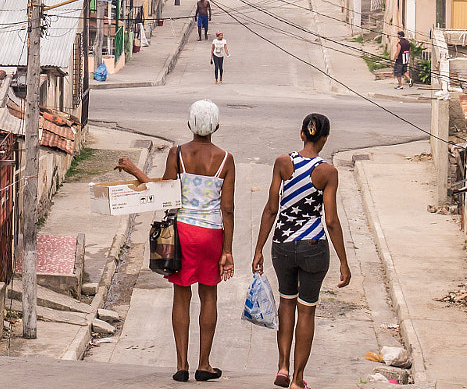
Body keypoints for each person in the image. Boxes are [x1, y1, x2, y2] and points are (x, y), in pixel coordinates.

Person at [119, 101, 236, 383]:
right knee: (209, 296)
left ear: (189, 125)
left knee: (181, 296)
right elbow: (228, 208)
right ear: (216, 127)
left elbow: (164, 193)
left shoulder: (178, 153)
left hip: (182, 232)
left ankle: (181, 364)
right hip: (211, 234)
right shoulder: (226, 159)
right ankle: (204, 364)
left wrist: (137, 171)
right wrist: (227, 251)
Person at [252, 113, 350, 389]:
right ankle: (297, 379)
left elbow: (272, 208)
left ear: (301, 133)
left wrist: (258, 248)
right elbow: (330, 220)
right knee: (306, 311)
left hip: (282, 245)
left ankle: (282, 367)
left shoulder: (283, 163)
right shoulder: (327, 172)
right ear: (326, 138)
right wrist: (343, 260)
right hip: (313, 247)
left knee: (286, 303)